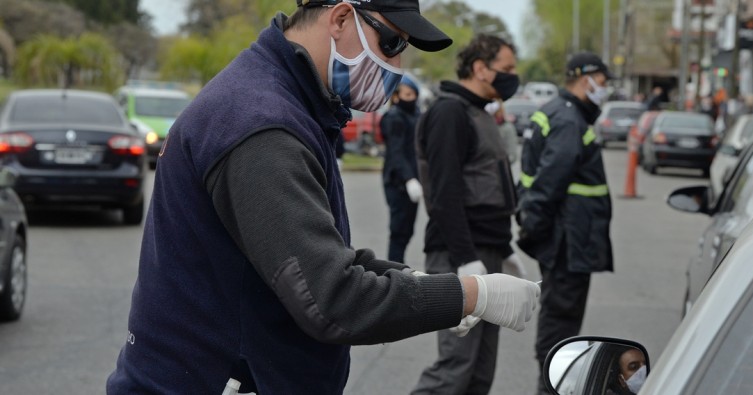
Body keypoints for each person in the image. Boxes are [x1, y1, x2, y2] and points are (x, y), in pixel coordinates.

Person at [106, 1, 540, 393]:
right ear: (340, 18)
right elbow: (330, 298)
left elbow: (315, 253)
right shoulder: (262, 124)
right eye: (391, 41)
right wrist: (472, 295)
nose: (397, 63)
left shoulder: (286, 101)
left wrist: (420, 283)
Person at [412, 34, 528, 395]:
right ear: (480, 68)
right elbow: (444, 195)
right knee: (455, 368)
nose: (512, 77)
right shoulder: (450, 113)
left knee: (480, 371)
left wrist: (504, 249)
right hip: (460, 257)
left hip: (485, 253)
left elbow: (488, 187)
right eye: (506, 69)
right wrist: (465, 259)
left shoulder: (479, 113)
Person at [516, 51, 615, 393]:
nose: (604, 90)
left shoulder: (560, 114)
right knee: (561, 325)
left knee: (560, 319)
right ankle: (552, 386)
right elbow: (548, 184)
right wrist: (535, 231)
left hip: (566, 239)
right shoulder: (569, 120)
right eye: (602, 83)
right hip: (568, 242)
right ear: (584, 78)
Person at [381, 77, 422, 263]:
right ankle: (395, 272)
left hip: (412, 181)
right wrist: (409, 179)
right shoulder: (395, 117)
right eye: (406, 94)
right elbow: (396, 152)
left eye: (412, 94)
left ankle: (398, 268)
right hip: (398, 182)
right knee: (398, 231)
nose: (410, 98)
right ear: (396, 96)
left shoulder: (416, 115)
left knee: (406, 231)